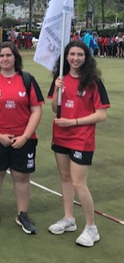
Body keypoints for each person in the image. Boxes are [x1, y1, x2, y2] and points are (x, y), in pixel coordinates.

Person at [47, 41, 110, 247]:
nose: (75, 58)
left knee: (78, 183)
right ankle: (69, 219)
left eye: (80, 55)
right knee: (65, 178)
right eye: (72, 54)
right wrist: (57, 90)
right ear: (66, 57)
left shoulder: (93, 81)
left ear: (86, 57)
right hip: (60, 137)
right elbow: (55, 109)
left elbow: (101, 115)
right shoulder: (60, 79)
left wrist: (73, 122)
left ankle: (92, 228)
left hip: (81, 138)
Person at [0, 42, 44, 234]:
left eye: (8, 55)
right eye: (1, 56)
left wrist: (24, 136)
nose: (5, 59)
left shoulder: (27, 79)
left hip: (24, 139)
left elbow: (36, 110)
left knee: (21, 176)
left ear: (16, 57)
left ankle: (22, 214)